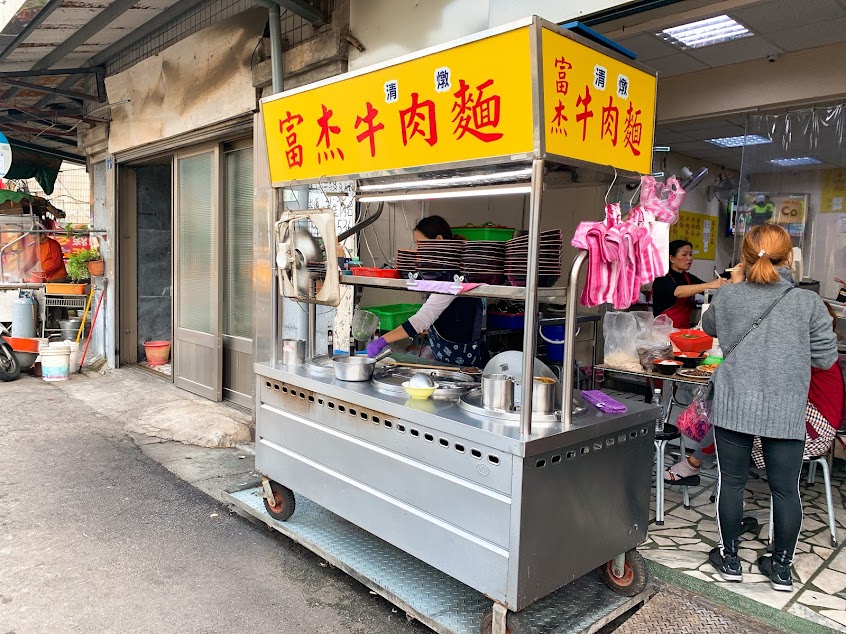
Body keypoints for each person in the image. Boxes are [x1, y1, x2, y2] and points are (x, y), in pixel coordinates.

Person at [702, 224, 838, 592]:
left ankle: (729, 559)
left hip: (733, 404)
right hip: (785, 407)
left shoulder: (727, 297)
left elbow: (707, 325)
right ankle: (780, 568)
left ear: (745, 256)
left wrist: (735, 283)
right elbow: (826, 359)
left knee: (731, 482)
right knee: (785, 489)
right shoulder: (808, 302)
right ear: (788, 255)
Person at [366, 216, 485, 368]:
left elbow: (422, 319)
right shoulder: (440, 273)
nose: (417, 251)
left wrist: (382, 340)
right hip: (445, 358)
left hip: (465, 362)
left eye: (420, 244)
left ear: (439, 239)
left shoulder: (452, 275)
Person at [651, 240, 728, 328]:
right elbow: (677, 292)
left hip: (683, 329)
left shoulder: (688, 277)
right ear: (672, 258)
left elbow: (708, 290)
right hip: (663, 331)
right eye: (684, 255)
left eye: (690, 254)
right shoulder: (662, 278)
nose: (689, 258)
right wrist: (711, 284)